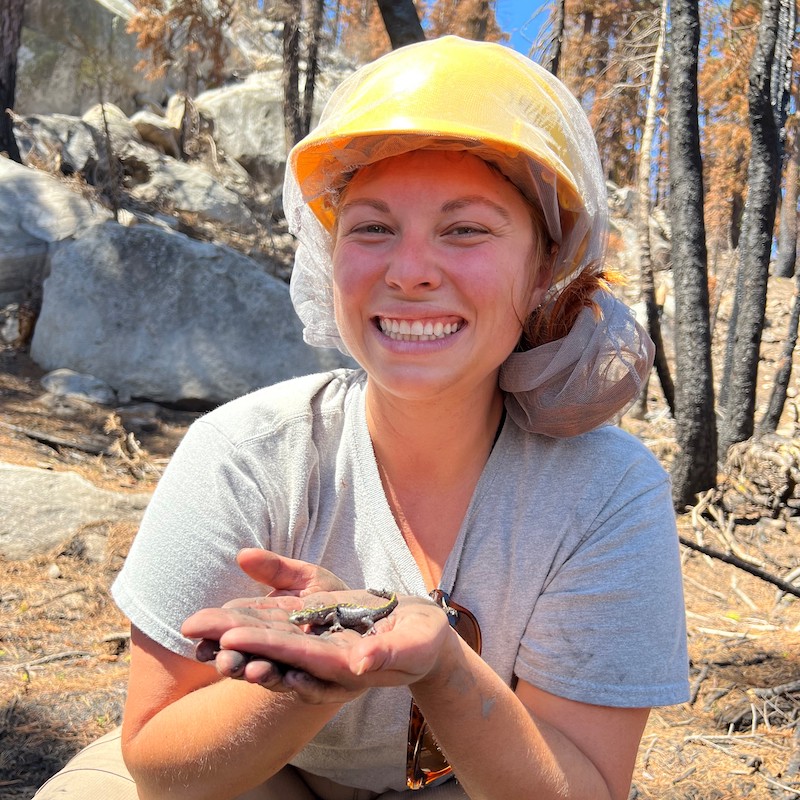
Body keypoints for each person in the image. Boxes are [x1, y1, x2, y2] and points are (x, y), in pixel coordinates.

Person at [35, 35, 689, 800]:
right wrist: (322, 672)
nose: (409, 271)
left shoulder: (604, 493)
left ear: (545, 265)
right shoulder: (246, 454)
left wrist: (441, 667)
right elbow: (157, 762)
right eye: (372, 227)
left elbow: (584, 787)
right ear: (329, 252)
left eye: (466, 229)